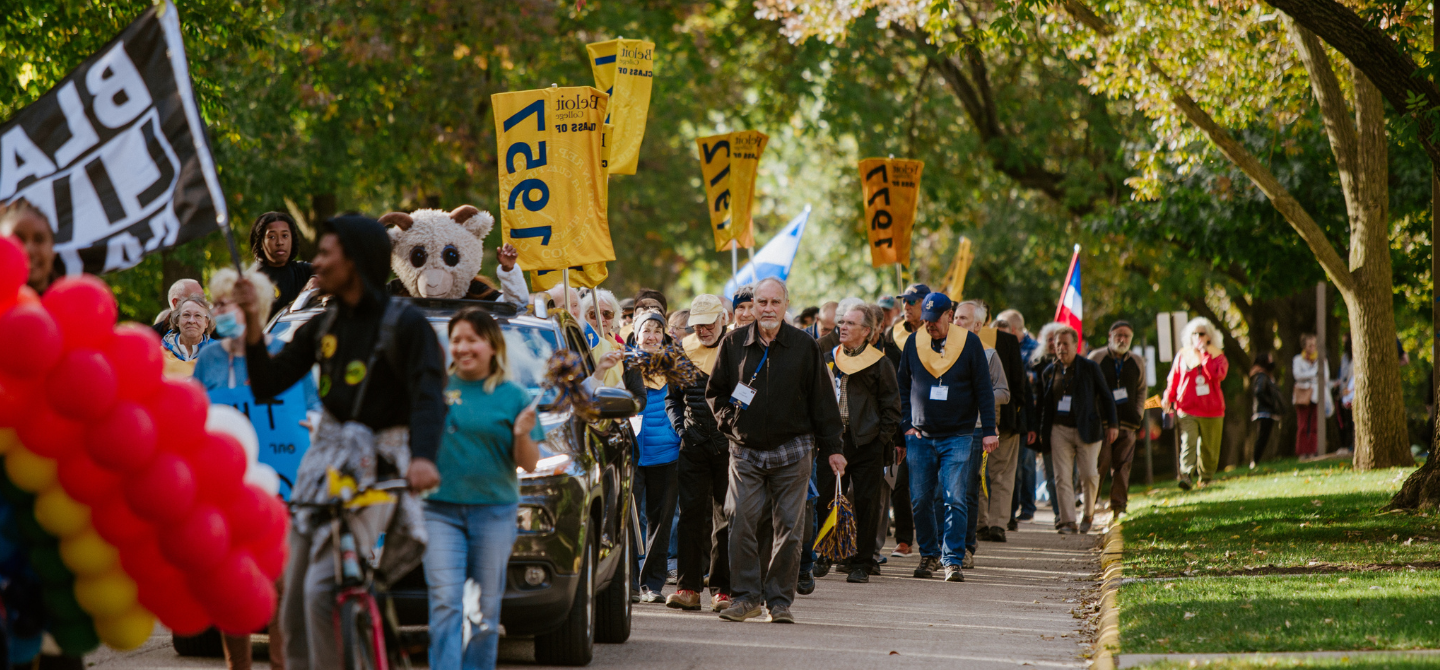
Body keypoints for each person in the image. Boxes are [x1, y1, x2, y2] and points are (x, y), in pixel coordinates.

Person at [235, 214, 447, 670]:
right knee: (291, 598)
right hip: (324, 469)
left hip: (381, 469)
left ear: (354, 262)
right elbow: (268, 382)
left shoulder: (408, 326)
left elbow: (430, 399)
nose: (317, 265)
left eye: (327, 254)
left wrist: (423, 460)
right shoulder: (324, 324)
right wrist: (254, 325)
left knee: (320, 590)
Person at [194, 268, 319, 670]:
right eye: (218, 304)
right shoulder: (210, 358)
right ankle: (239, 666)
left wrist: (314, 423)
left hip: (281, 487)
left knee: (281, 583)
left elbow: (314, 404)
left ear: (255, 307)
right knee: (233, 584)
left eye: (229, 304)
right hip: (227, 489)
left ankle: (281, 661)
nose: (221, 311)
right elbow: (195, 413)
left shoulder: (284, 351)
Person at [705, 278, 843, 624]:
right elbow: (716, 392)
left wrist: (834, 448)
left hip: (793, 451)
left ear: (785, 305)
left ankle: (779, 602)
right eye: (761, 302)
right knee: (740, 520)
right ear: (752, 306)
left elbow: (823, 402)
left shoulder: (804, 345)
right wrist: (729, 423)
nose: (767, 309)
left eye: (774, 302)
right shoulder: (734, 342)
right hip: (745, 451)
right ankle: (746, 597)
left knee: (789, 529)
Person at [423, 308, 542, 669]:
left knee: (484, 611)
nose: (463, 348)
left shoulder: (515, 397)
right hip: (439, 511)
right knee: (445, 603)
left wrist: (521, 433)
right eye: (456, 340)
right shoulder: (433, 389)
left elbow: (530, 464)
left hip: (494, 513)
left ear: (491, 346)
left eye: (472, 339)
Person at [898, 292, 997, 582]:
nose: (928, 325)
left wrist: (989, 430)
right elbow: (902, 385)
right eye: (925, 319)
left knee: (955, 498)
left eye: (934, 320)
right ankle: (928, 554)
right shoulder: (914, 343)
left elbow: (984, 390)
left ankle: (952, 559)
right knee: (919, 499)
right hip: (921, 435)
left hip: (958, 434)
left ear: (949, 316)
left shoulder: (969, 343)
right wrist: (906, 424)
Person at [818, 306, 900, 583]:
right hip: (834, 442)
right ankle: (826, 554)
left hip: (866, 443)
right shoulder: (830, 357)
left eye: (850, 323)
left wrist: (879, 440)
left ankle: (862, 562)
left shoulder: (880, 363)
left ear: (867, 331)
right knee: (828, 500)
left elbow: (892, 408)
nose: (842, 327)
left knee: (866, 504)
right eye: (841, 322)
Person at [666, 295, 735, 612]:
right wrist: (681, 429)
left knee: (726, 518)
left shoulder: (737, 348)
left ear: (723, 319)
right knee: (691, 516)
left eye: (710, 323)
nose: (704, 329)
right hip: (692, 444)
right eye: (698, 324)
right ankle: (688, 588)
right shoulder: (682, 351)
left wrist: (736, 428)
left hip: (728, 446)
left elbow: (751, 393)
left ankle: (722, 590)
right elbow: (673, 399)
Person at [1034, 325, 1118, 534]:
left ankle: (1088, 514)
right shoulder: (1049, 371)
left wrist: (1113, 425)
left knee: (1089, 474)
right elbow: (1044, 406)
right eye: (1057, 343)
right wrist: (1040, 433)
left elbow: (1106, 397)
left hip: (1088, 429)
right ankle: (1068, 521)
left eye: (1065, 344)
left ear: (1075, 345)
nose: (1061, 348)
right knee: (1062, 476)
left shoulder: (1090, 368)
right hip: (1059, 430)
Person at [629, 311, 682, 603]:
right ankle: (630, 583)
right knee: (629, 520)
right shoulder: (626, 364)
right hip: (634, 454)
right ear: (637, 334)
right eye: (646, 330)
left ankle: (652, 584)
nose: (651, 336)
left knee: (661, 522)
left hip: (668, 453)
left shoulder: (675, 366)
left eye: (657, 331)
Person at [951, 301, 1008, 567]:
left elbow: (1004, 393)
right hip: (945, 429)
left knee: (968, 490)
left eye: (963, 318)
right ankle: (945, 546)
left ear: (978, 325)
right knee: (945, 491)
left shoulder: (988, 354)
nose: (956, 322)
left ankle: (966, 548)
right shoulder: (942, 350)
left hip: (974, 431)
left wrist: (978, 396)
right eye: (955, 317)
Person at [973, 307, 1028, 544]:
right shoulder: (1005, 340)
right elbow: (1019, 383)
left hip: (997, 419)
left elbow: (1016, 384)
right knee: (999, 475)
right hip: (996, 418)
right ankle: (996, 523)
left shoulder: (1002, 341)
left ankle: (983, 523)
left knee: (980, 473)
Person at [1087, 321, 1145, 517]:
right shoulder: (1096, 357)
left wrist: (1138, 414)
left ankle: (1119, 506)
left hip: (1128, 422)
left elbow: (1141, 389)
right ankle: (1090, 503)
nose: (1122, 339)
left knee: (1123, 465)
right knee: (1100, 463)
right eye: (1118, 335)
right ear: (1110, 336)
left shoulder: (1137, 361)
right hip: (1102, 423)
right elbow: (1088, 389)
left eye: (1126, 336)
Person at [1162, 317, 1228, 489]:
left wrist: (1205, 354)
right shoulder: (1183, 356)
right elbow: (1173, 379)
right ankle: (1186, 475)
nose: (1198, 337)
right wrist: (1168, 396)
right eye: (1194, 333)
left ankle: (1205, 478)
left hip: (1212, 410)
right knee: (1188, 442)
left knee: (1209, 449)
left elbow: (1217, 375)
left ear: (1209, 336)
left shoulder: (1217, 355)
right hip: (1187, 408)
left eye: (1202, 333)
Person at [997, 313, 1038, 529]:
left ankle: (1010, 514)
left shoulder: (1020, 356)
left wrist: (1029, 425)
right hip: (993, 421)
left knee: (1016, 470)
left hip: (1014, 422)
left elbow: (1025, 393)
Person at [248, 211, 315, 320]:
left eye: (285, 235)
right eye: (272, 237)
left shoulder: (303, 271)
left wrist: (316, 279)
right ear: (261, 242)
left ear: (292, 240)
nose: (280, 242)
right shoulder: (251, 279)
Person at [0, 199, 58, 294]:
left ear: (53, 249)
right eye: (18, 239)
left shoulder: (74, 302)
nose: (29, 249)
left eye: (39, 240)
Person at [1292, 334, 1329, 458]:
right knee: (1302, 425)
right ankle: (1302, 452)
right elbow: (1297, 375)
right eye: (1310, 345)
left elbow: (1325, 376)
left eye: (1314, 345)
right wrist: (1314, 373)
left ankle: (1313, 451)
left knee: (1315, 425)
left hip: (1317, 395)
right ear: (1304, 346)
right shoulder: (1298, 360)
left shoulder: (1321, 359)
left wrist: (1310, 375)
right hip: (1303, 394)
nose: (1313, 347)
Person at [162, 297, 214, 378]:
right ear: (177, 321)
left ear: (206, 323)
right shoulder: (159, 354)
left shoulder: (218, 352)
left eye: (198, 315)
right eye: (186, 315)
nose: (192, 321)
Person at [1249, 352, 1284, 465]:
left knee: (1264, 437)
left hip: (1266, 411)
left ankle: (1258, 460)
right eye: (1269, 360)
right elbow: (1259, 392)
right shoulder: (1262, 376)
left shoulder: (1266, 376)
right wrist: (1271, 404)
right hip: (1264, 412)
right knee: (1262, 437)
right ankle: (1255, 460)